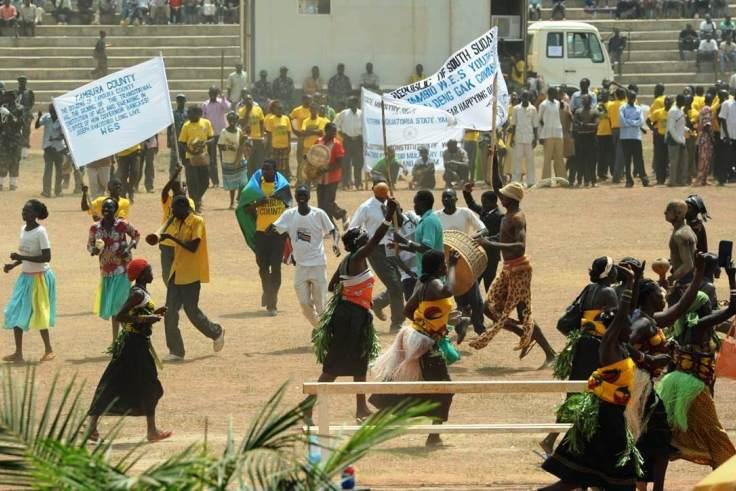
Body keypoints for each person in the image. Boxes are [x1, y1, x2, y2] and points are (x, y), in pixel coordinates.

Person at [540, 265, 640, 491]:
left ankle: (553, 440)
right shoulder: (608, 345)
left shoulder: (617, 345)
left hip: (611, 419)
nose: (631, 330)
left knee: (578, 480)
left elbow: (623, 315)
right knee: (593, 481)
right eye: (627, 326)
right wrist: (630, 283)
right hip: (606, 420)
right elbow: (621, 314)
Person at [307, 198, 398, 422]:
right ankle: (306, 409)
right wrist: (388, 217)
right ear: (359, 244)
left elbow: (332, 286)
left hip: (355, 315)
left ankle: (361, 408)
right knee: (332, 369)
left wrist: (354, 292)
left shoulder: (349, 261)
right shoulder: (358, 257)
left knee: (360, 364)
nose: (367, 236)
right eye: (363, 235)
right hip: (349, 318)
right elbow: (375, 240)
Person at [370, 249, 459, 446]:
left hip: (419, 338)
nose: (445, 267)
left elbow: (408, 310)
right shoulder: (434, 284)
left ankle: (374, 423)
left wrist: (428, 324)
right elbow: (448, 291)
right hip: (424, 344)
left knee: (408, 386)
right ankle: (433, 437)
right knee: (444, 388)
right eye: (444, 264)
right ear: (437, 267)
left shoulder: (423, 283)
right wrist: (454, 265)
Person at [656, 266, 736, 469]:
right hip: (693, 387)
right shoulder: (699, 326)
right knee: (715, 434)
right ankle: (728, 474)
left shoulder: (684, 325)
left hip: (676, 382)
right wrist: (732, 278)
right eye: (709, 304)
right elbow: (731, 309)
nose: (712, 307)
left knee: (674, 432)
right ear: (700, 307)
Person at [541, 256, 621, 456]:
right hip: (598, 348)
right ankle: (562, 442)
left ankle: (552, 438)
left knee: (576, 392)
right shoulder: (609, 292)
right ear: (608, 272)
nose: (616, 272)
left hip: (583, 344)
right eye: (614, 269)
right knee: (594, 394)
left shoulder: (589, 289)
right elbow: (615, 324)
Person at [86, 258, 171, 443]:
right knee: (147, 385)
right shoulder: (137, 293)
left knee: (114, 383)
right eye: (149, 270)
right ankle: (151, 432)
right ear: (142, 274)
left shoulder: (141, 292)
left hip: (136, 343)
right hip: (133, 345)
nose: (152, 273)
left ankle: (92, 427)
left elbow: (135, 314)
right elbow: (120, 316)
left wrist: (154, 313)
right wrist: (146, 319)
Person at [470, 154, 538, 354]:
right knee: (488, 307)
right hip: (508, 268)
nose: (500, 197)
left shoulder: (516, 218)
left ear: (510, 199)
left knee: (522, 312)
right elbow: (497, 184)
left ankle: (543, 346)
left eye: (503, 196)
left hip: (519, 269)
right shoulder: (509, 209)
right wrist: (494, 158)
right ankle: (524, 333)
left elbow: (519, 246)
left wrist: (490, 243)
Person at [159, 196, 225, 360]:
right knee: (169, 312)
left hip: (191, 274)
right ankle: (176, 351)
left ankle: (216, 332)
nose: (172, 213)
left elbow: (193, 246)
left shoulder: (197, 221)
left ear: (184, 207)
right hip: (176, 272)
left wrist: (171, 238)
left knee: (192, 311)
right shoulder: (176, 221)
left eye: (174, 209)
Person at [271, 185, 339, 327]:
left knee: (321, 306)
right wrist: (268, 230)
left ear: (309, 197)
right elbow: (275, 229)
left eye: (304, 195)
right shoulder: (289, 214)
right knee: (304, 304)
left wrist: (335, 244)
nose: (301, 197)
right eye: (299, 195)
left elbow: (334, 230)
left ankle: (325, 332)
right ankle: (319, 328)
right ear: (295, 197)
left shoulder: (318, 214)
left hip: (318, 265)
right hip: (301, 266)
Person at [2, 200, 55, 363]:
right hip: (25, 277)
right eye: (23, 210)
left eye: (28, 211)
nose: (24, 213)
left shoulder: (41, 232)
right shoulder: (23, 229)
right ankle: (18, 353)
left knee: (40, 313)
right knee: (16, 310)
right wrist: (13, 264)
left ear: (36, 214)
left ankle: (49, 350)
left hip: (39, 278)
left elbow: (46, 257)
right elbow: (26, 254)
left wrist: (20, 257)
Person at [236, 160, 291, 316]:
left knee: (276, 267)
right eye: (263, 169)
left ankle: (272, 302)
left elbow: (289, 208)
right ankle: (267, 290)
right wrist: (258, 203)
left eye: (268, 169)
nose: (265, 172)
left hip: (278, 235)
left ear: (275, 170)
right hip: (261, 234)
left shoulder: (282, 187)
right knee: (262, 267)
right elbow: (245, 208)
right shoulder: (255, 187)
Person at [350, 182, 404, 331]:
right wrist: (363, 244)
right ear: (374, 191)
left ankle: (378, 303)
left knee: (400, 283)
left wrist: (396, 209)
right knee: (394, 284)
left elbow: (399, 223)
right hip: (375, 249)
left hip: (391, 247)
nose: (383, 195)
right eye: (381, 192)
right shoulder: (366, 207)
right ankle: (397, 322)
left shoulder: (391, 203)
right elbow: (353, 227)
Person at [435, 189, 486, 339]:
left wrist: (469, 239)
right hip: (447, 264)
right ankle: (462, 327)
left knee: (476, 301)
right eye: (444, 197)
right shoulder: (436, 217)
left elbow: (483, 230)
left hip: (465, 262)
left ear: (456, 199)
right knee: (460, 299)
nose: (446, 200)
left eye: (449, 197)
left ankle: (479, 329)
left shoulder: (465, 213)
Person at [88, 198, 140, 343]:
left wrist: (128, 248)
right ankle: (117, 340)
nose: (106, 210)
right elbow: (90, 246)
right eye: (104, 207)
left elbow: (136, 235)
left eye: (110, 208)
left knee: (119, 306)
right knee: (114, 309)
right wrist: (94, 250)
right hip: (106, 272)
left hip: (122, 269)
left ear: (115, 210)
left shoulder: (122, 224)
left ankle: (128, 339)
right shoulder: (95, 228)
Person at [463, 182, 503, 291]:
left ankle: (490, 301)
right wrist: (466, 193)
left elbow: (501, 235)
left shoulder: (500, 216)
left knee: (489, 282)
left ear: (493, 202)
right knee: (475, 280)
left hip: (492, 254)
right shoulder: (484, 211)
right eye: (482, 202)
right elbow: (471, 205)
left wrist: (486, 240)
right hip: (480, 253)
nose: (483, 204)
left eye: (485, 202)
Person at [159, 166, 194, 284]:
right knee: (166, 272)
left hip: (181, 242)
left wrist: (185, 197)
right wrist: (175, 175)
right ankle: (171, 292)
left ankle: (178, 293)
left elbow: (191, 215)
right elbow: (164, 190)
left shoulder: (189, 202)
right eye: (178, 188)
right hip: (166, 243)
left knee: (182, 271)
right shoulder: (167, 200)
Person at [178, 105, 214, 211]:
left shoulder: (206, 123)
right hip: (190, 158)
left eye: (191, 113)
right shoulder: (186, 125)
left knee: (205, 182)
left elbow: (212, 138)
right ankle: (194, 204)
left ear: (198, 113)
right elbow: (182, 142)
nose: (188, 115)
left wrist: (204, 143)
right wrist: (190, 152)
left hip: (203, 157)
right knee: (192, 183)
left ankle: (197, 199)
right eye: (188, 113)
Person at [315, 123, 348, 228]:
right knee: (321, 204)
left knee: (328, 203)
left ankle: (332, 227)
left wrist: (326, 169)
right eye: (332, 131)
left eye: (335, 131)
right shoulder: (318, 142)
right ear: (326, 131)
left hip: (332, 178)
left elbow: (340, 163)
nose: (334, 133)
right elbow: (313, 155)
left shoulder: (337, 144)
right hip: (320, 178)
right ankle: (341, 214)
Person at [666, 200, 697, 299]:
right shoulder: (686, 229)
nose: (665, 212)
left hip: (685, 282)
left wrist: (672, 278)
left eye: (668, 210)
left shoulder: (680, 235)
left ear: (679, 213)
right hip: (687, 280)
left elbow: (688, 265)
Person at [218, 111, 248, 209]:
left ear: (236, 120)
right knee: (232, 184)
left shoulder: (239, 131)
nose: (232, 121)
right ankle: (231, 202)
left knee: (243, 182)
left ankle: (238, 199)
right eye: (230, 119)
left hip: (240, 159)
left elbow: (242, 144)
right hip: (229, 160)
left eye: (234, 119)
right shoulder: (224, 132)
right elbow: (220, 146)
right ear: (228, 120)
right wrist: (229, 147)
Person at [201, 87, 230, 187]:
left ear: (217, 93)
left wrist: (223, 97)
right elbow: (203, 119)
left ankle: (226, 181)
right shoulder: (205, 104)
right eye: (211, 93)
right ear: (209, 93)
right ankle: (215, 182)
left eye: (214, 93)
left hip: (222, 134)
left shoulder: (221, 102)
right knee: (212, 160)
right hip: (211, 135)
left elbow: (227, 107)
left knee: (224, 158)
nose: (212, 94)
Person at [619, 90, 649, 187]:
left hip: (636, 137)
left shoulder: (638, 108)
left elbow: (641, 121)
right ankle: (629, 180)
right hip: (625, 137)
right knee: (627, 160)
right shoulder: (622, 108)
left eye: (634, 97)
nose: (632, 99)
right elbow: (622, 122)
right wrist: (634, 122)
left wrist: (629, 122)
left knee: (639, 158)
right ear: (627, 97)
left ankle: (643, 177)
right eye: (631, 97)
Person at [35, 104, 66, 198]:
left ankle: (58, 191)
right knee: (48, 171)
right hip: (48, 147)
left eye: (53, 111)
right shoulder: (46, 117)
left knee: (59, 171)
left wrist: (55, 138)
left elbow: (64, 135)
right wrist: (39, 117)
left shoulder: (61, 119)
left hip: (58, 148)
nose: (51, 112)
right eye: (50, 111)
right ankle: (46, 191)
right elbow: (37, 126)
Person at [510, 90, 538, 187]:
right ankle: (515, 181)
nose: (525, 98)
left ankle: (530, 181)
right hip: (518, 137)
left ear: (529, 97)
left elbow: (535, 125)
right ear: (521, 97)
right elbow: (513, 124)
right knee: (517, 160)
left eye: (527, 97)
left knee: (530, 160)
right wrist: (512, 138)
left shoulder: (533, 109)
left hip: (529, 138)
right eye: (523, 96)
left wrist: (535, 139)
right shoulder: (516, 109)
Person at [334, 96, 363, 189]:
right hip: (347, 141)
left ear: (356, 103)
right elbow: (335, 124)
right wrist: (341, 133)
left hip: (358, 141)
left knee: (358, 163)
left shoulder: (362, 114)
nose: (349, 104)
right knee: (345, 163)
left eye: (351, 102)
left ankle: (358, 184)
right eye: (349, 102)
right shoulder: (344, 113)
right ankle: (345, 184)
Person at [295, 102, 328, 184]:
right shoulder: (305, 121)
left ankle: (316, 183)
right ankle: (306, 183)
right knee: (307, 166)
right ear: (310, 110)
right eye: (312, 109)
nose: (313, 111)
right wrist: (314, 131)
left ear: (317, 110)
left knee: (317, 166)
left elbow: (320, 132)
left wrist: (308, 131)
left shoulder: (321, 120)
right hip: (307, 147)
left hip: (317, 147)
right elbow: (303, 132)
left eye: (315, 109)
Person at [538, 87, 565, 180]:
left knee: (559, 157)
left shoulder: (558, 103)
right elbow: (539, 120)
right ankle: (546, 180)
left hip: (558, 133)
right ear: (549, 93)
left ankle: (561, 179)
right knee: (547, 158)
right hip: (547, 134)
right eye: (554, 93)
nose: (556, 95)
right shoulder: (543, 104)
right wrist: (541, 135)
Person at [573, 94, 599, 187]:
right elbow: (575, 125)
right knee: (580, 160)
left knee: (592, 160)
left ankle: (593, 180)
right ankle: (580, 180)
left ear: (590, 101)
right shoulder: (578, 111)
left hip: (591, 138)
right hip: (580, 138)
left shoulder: (594, 111)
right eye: (582, 100)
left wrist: (584, 125)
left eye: (585, 100)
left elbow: (596, 125)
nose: (583, 101)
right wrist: (585, 125)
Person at [0, 90, 23, 191]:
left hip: (15, 138)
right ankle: (0, 183)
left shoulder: (19, 108)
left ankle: (13, 183)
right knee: (2, 160)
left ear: (12, 98)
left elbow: (19, 123)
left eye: (7, 97)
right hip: (4, 138)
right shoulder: (2, 108)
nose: (5, 99)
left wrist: (9, 115)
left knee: (15, 160)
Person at [264, 100, 292, 179]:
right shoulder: (271, 119)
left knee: (283, 166)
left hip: (284, 146)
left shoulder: (286, 119)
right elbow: (269, 135)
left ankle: (282, 180)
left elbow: (288, 132)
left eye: (281, 108)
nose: (279, 110)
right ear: (274, 109)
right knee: (276, 165)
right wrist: (269, 147)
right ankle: (275, 180)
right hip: (275, 146)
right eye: (278, 108)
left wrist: (289, 144)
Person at [648, 95, 671, 185]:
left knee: (668, 159)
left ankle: (668, 177)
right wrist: (653, 129)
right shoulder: (658, 112)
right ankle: (660, 179)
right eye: (666, 101)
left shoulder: (673, 113)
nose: (667, 103)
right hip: (660, 137)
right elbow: (648, 120)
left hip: (670, 137)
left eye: (669, 101)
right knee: (660, 158)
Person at [666, 94, 688, 187]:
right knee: (674, 162)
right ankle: (672, 181)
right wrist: (679, 140)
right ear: (680, 101)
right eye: (684, 100)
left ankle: (681, 180)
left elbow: (680, 125)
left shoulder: (680, 110)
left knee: (682, 161)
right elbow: (671, 128)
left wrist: (687, 129)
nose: (685, 102)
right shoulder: (673, 111)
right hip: (673, 139)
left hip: (680, 139)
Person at [695, 95, 715, 186]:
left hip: (703, 136)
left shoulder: (703, 109)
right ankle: (700, 179)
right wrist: (712, 138)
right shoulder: (707, 109)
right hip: (706, 137)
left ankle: (703, 179)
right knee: (704, 158)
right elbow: (707, 125)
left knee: (705, 158)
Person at [167, 94, 187, 179]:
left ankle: (187, 180)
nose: (180, 102)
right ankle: (173, 180)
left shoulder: (187, 113)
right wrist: (168, 140)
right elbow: (169, 128)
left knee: (186, 162)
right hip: (175, 141)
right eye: (179, 100)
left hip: (185, 142)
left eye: (182, 100)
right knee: (174, 163)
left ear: (185, 101)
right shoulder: (173, 113)